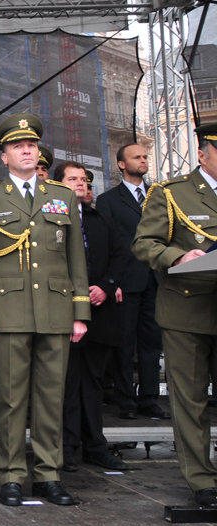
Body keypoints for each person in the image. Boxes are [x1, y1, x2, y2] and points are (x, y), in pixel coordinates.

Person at [0, 113, 90, 507]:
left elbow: (76, 258)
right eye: (17, 146)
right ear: (4, 156)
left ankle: (49, 475)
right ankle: (12, 475)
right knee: (11, 398)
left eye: (31, 145)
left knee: (51, 397)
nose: (26, 150)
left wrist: (80, 311)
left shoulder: (63, 195)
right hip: (8, 311)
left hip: (55, 309)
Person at [131, 123, 217, 509]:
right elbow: (144, 244)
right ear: (202, 154)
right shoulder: (171, 193)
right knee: (191, 400)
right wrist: (178, 256)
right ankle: (202, 480)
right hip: (188, 309)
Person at [54, 161, 129, 472]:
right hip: (63, 312)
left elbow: (121, 254)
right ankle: (68, 446)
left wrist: (107, 286)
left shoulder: (100, 219)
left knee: (94, 382)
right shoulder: (51, 220)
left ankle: (95, 445)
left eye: (84, 180)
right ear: (58, 185)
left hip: (99, 312)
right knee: (67, 383)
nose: (81, 185)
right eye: (73, 179)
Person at [96, 143, 168, 420]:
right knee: (125, 345)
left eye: (145, 156)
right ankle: (126, 400)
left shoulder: (160, 196)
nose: (143, 160)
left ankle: (149, 399)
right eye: (137, 157)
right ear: (122, 164)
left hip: (155, 278)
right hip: (126, 282)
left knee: (152, 344)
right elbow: (107, 244)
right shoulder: (108, 200)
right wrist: (112, 282)